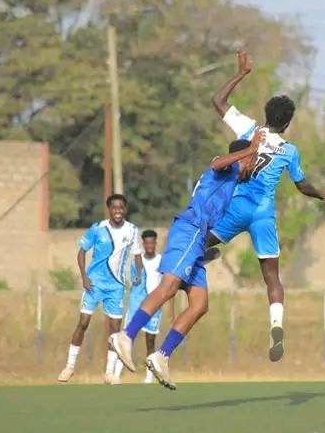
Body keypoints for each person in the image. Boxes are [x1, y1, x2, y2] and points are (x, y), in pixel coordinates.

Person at [204, 50, 325, 362]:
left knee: (200, 242)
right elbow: (302, 186)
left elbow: (218, 101)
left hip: (237, 207)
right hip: (263, 214)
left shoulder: (250, 131)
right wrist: (322, 194)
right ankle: (276, 325)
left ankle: (202, 257)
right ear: (287, 122)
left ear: (266, 115)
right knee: (272, 278)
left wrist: (241, 73)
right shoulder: (289, 151)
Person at [110, 132, 262, 390]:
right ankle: (126, 335)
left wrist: (204, 252)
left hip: (197, 241)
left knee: (199, 304)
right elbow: (217, 163)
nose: (254, 168)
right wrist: (250, 150)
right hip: (189, 230)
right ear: (244, 158)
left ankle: (161, 356)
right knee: (168, 287)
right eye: (254, 161)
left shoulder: (232, 182)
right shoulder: (226, 168)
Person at [57, 194, 142, 384]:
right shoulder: (98, 228)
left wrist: (137, 274)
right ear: (109, 209)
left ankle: (109, 373)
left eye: (121, 207)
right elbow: (81, 252)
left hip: (116, 286)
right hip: (94, 283)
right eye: (114, 207)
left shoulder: (132, 230)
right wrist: (84, 277)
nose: (118, 211)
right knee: (83, 322)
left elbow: (137, 255)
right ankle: (69, 367)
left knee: (115, 329)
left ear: (125, 210)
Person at [113, 229, 162, 384]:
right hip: (136, 304)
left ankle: (149, 378)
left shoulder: (161, 261)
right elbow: (135, 281)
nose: (149, 245)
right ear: (143, 244)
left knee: (150, 341)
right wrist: (136, 279)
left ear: (155, 243)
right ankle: (116, 375)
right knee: (127, 339)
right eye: (147, 243)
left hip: (154, 305)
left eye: (152, 242)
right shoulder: (137, 261)